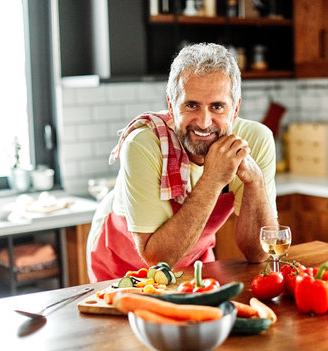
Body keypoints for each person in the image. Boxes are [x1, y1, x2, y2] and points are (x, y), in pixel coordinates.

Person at [87, 43, 278, 282]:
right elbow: (157, 259)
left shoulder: (255, 141)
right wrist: (214, 179)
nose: (204, 122)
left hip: (194, 259)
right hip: (123, 264)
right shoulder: (143, 144)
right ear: (171, 105)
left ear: (236, 108)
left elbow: (258, 254)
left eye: (217, 106)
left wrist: (255, 183)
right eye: (191, 105)